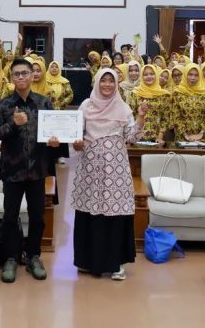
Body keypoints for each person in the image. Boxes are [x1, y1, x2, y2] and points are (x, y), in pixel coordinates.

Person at [0, 58, 59, 283]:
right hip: (13, 171)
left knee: (38, 217)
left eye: (24, 73)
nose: (21, 77)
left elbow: (56, 133)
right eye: (16, 74)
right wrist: (13, 125)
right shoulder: (4, 105)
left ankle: (34, 256)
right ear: (11, 79)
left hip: (37, 169)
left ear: (32, 75)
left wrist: (56, 142)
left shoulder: (44, 103)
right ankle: (10, 258)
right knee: (10, 216)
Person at [71, 68, 144, 280]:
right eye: (103, 81)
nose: (107, 85)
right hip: (90, 169)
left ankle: (116, 263)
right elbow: (77, 138)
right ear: (96, 82)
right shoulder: (85, 106)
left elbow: (131, 137)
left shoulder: (123, 107)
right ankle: (86, 260)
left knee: (115, 213)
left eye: (111, 81)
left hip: (116, 172)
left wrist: (140, 118)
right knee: (89, 212)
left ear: (116, 84)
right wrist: (76, 144)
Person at [129, 64, 170, 145]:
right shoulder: (135, 93)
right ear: (141, 76)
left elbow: (165, 117)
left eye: (151, 74)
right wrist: (134, 135)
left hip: (157, 139)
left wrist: (160, 136)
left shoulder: (164, 95)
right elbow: (131, 116)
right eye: (145, 74)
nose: (149, 76)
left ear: (156, 75)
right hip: (138, 137)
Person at [170, 63, 205, 143]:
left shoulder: (204, 93)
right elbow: (175, 115)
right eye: (190, 74)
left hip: (202, 137)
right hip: (183, 137)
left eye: (196, 75)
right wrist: (185, 135)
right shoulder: (178, 93)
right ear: (185, 75)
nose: (193, 78)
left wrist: (201, 133)